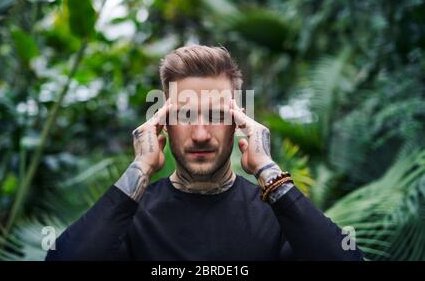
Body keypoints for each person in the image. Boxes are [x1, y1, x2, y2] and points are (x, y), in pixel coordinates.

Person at [46, 45, 363, 261]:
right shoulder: (132, 216)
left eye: (216, 115)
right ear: (164, 124)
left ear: (238, 123)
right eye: (184, 116)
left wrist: (268, 169)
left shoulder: (276, 213)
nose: (200, 134)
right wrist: (140, 168)